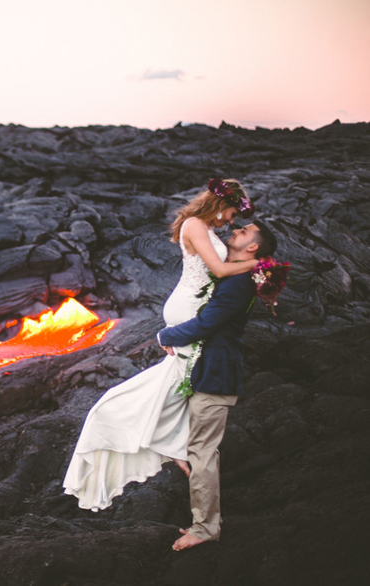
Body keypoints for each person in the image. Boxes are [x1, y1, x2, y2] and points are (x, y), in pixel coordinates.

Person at [62, 178, 257, 511]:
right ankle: (164, 444)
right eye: (231, 212)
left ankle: (170, 445)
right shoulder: (196, 225)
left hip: (194, 306)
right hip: (187, 309)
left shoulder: (204, 226)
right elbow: (220, 269)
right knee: (184, 381)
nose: (231, 221)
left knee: (180, 382)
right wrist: (262, 264)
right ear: (220, 204)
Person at [158, 219, 277, 550]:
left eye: (243, 232)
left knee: (204, 453)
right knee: (173, 429)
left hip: (216, 374)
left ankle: (206, 527)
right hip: (203, 369)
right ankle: (177, 453)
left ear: (252, 247)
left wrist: (164, 335)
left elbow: (208, 323)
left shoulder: (240, 283)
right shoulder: (234, 273)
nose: (235, 231)